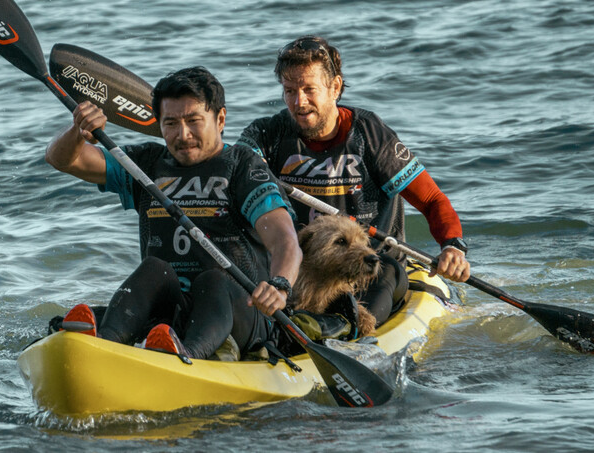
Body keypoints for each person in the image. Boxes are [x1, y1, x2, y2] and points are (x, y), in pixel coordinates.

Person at [45, 66, 302, 360]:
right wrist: (77, 133)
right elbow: (62, 159)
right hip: (172, 316)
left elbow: (285, 241)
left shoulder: (243, 167)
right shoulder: (146, 164)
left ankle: (188, 356)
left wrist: (280, 286)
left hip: (242, 315)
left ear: (220, 119)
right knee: (154, 269)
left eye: (194, 121)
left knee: (213, 279)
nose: (183, 134)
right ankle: (105, 345)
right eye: (171, 123)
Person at [236, 36, 471, 328]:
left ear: (335, 87)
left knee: (383, 273)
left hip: (371, 266)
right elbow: (228, 175)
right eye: (289, 91)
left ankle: (342, 328)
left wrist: (453, 247)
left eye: (309, 90)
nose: (299, 102)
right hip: (298, 266)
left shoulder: (370, 135)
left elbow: (432, 199)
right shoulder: (266, 134)